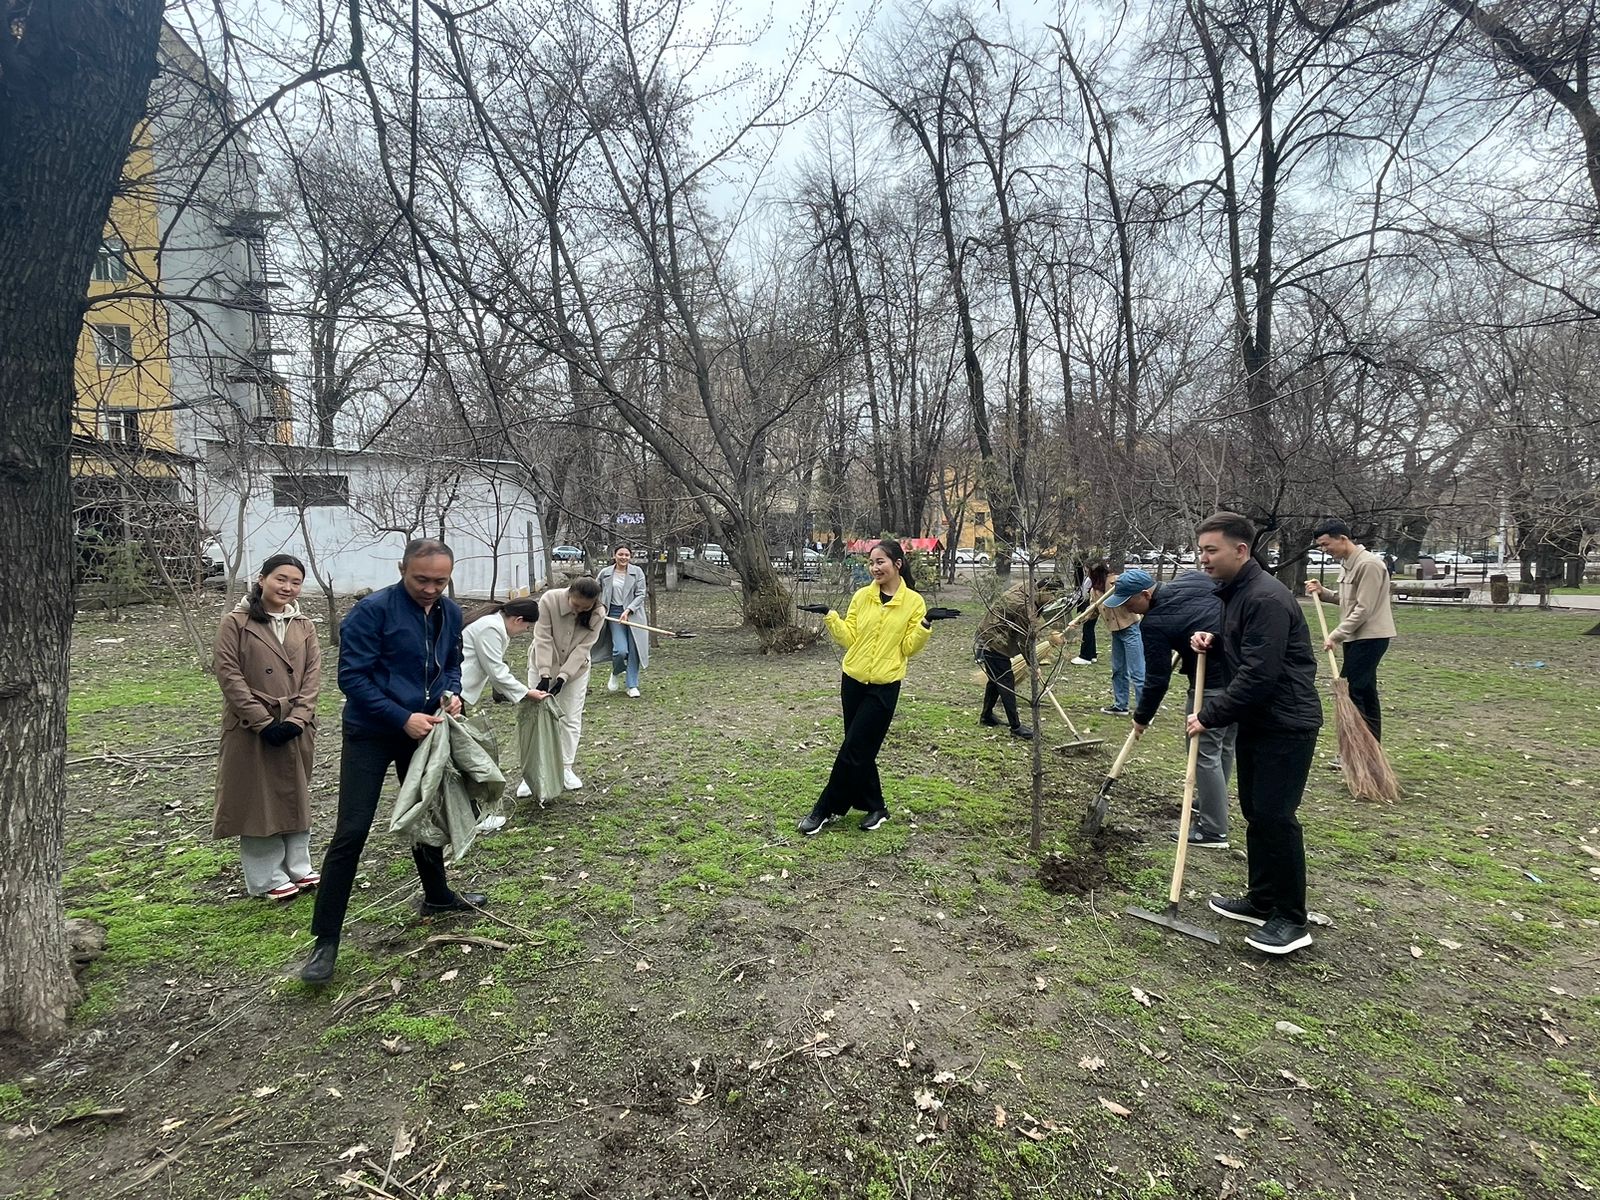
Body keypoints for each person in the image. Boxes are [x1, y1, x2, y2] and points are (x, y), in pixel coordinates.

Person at [300, 539, 482, 984]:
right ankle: (325, 940)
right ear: (403, 569)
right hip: (372, 731)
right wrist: (401, 717)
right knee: (352, 830)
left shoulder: (449, 612)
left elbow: (452, 664)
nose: (431, 588)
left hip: (425, 728)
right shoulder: (372, 611)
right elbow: (352, 678)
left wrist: (452, 693)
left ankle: (436, 897)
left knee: (425, 810)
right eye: (422, 579)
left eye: (440, 580)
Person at [1186, 512, 1322, 956]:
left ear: (1240, 550)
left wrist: (1210, 715)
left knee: (1276, 817)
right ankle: (1262, 899)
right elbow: (1251, 649)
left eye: (1211, 550)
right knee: (1256, 811)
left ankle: (1290, 918)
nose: (1203, 558)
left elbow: (1260, 674)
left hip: (1286, 722)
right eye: (1201, 549)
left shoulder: (1265, 598)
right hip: (1261, 721)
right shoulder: (1239, 594)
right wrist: (1216, 641)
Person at [794, 539, 958, 834]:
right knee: (857, 747)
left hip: (884, 686)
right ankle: (877, 807)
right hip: (853, 681)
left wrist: (925, 625)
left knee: (854, 748)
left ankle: (824, 809)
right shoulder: (861, 597)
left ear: (898, 563)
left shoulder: (913, 603)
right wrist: (830, 616)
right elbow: (849, 638)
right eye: (871, 563)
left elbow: (908, 648)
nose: (874, 568)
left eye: (880, 561)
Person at [211, 554, 322, 900]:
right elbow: (228, 675)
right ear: (262, 579)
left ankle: (299, 867)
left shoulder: (303, 624)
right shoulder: (236, 622)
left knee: (295, 795)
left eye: (295, 581)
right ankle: (266, 877)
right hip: (251, 726)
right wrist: (262, 722)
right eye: (281, 579)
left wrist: (298, 719)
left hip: (296, 725)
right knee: (258, 801)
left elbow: (313, 676)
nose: (288, 587)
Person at [1109, 567, 1235, 849]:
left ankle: (1214, 831)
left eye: (1130, 603)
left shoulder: (1153, 624)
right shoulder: (1192, 578)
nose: (1130, 610)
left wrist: (1141, 718)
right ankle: (1210, 803)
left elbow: (1157, 680)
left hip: (1212, 683)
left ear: (1145, 594)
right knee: (1223, 746)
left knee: (1202, 751)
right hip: (1243, 673)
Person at [1305, 519, 1396, 743]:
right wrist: (1323, 592)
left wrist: (1335, 635)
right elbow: (1348, 601)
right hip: (1356, 637)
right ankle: (1371, 746)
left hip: (1371, 637)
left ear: (1343, 539)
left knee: (1353, 690)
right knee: (1365, 691)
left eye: (1327, 545)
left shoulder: (1369, 565)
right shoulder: (1350, 563)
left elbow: (1364, 609)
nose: (1325, 551)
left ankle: (1360, 747)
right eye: (1321, 547)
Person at [530, 576, 606, 791]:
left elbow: (584, 648)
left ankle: (565, 767)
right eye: (576, 604)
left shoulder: (599, 613)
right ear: (569, 593)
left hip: (576, 670)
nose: (580, 610)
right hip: (541, 663)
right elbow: (542, 637)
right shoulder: (549, 599)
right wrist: (545, 674)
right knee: (536, 717)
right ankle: (534, 771)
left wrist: (563, 677)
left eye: (586, 607)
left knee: (570, 716)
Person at [974, 580, 1051, 740]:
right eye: (1052, 596)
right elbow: (1025, 640)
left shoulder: (1028, 588)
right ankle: (1016, 727)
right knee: (1006, 681)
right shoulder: (1024, 605)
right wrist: (1034, 664)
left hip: (992, 634)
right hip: (993, 640)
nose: (1053, 600)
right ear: (1043, 590)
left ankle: (986, 716)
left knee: (996, 679)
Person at [461, 598, 544, 708]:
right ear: (518, 620)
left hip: (457, 687)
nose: (526, 630)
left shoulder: (494, 622)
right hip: (454, 688)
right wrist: (526, 692)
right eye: (527, 627)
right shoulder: (490, 629)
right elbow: (495, 670)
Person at [595, 546, 650, 698]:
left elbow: (640, 594)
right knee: (620, 650)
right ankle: (616, 671)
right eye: (620, 554)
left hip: (633, 615)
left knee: (634, 650)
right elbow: (595, 590)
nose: (623, 557)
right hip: (613, 614)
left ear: (630, 557)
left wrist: (628, 610)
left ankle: (632, 685)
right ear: (614, 555)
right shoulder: (605, 573)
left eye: (627, 555)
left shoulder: (637, 572)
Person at [1101, 567, 1145, 715]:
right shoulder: (1095, 590)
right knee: (1118, 669)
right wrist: (1079, 621)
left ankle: (1144, 710)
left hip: (1131, 628)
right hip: (1115, 631)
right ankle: (1121, 705)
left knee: (1137, 671)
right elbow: (1095, 609)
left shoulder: (1117, 582)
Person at [1071, 561, 1108, 665]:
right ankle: (1092, 654)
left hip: (1089, 607)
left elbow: (1083, 593)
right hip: (1092, 607)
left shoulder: (1095, 584)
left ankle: (1085, 656)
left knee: (1087, 629)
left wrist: (1079, 619)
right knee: (1090, 629)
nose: (1086, 571)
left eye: (1087, 569)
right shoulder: (1102, 582)